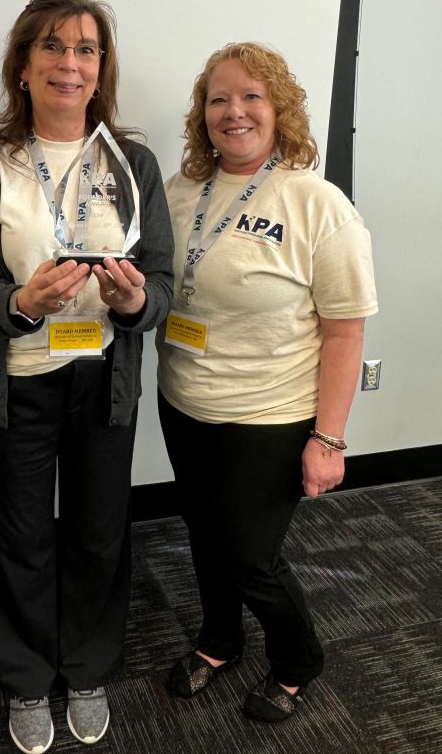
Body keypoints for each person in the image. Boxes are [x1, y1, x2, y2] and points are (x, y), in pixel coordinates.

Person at [0, 0, 173, 753]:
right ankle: (22, 678)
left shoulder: (132, 161)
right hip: (18, 379)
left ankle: (88, 668)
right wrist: (20, 300)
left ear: (101, 68)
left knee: (99, 532)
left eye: (85, 50)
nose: (68, 64)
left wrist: (138, 298)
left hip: (102, 379)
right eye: (51, 47)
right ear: (22, 66)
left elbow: (163, 279)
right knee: (16, 535)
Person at [156, 42, 378, 722]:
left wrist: (329, 438)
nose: (234, 112)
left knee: (252, 555)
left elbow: (344, 331)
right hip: (185, 400)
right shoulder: (181, 191)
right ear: (203, 114)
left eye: (252, 97)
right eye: (219, 98)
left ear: (280, 110)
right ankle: (220, 639)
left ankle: (298, 658)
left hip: (270, 414)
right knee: (204, 531)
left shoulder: (316, 203)